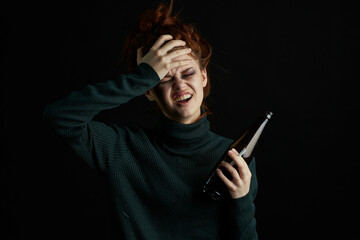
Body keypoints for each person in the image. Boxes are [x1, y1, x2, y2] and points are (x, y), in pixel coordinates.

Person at [43, 1, 258, 239]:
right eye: (164, 79)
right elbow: (60, 117)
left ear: (204, 77)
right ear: (148, 90)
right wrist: (143, 76)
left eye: (188, 73)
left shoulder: (233, 159)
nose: (179, 85)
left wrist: (241, 200)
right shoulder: (121, 149)